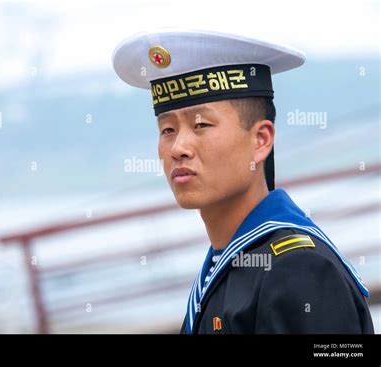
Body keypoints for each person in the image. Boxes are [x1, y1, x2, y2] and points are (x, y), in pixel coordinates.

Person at [112, 29, 374, 334]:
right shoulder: (225, 263)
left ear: (261, 140)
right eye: (167, 129)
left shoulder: (298, 270)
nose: (178, 147)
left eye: (201, 125)